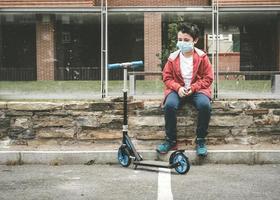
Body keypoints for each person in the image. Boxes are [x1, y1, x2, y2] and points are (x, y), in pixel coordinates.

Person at [156, 22, 213, 156]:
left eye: (186, 40)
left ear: (195, 40)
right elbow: (167, 77)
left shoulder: (202, 57)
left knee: (205, 106)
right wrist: (178, 88)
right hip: (177, 91)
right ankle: (170, 141)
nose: (182, 43)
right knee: (169, 105)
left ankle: (200, 140)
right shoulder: (172, 58)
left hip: (197, 91)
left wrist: (193, 88)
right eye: (180, 40)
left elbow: (208, 78)